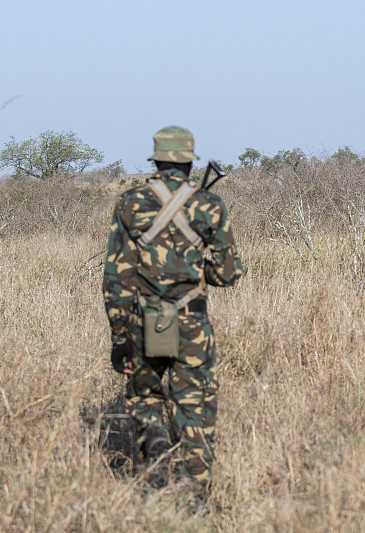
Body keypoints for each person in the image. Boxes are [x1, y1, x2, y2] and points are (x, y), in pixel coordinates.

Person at [103, 126, 243, 496]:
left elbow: (117, 279)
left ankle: (157, 458)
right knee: (195, 409)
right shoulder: (210, 205)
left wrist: (120, 337)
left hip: (148, 319)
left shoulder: (131, 203)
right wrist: (200, 268)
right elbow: (228, 275)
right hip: (192, 322)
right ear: (188, 162)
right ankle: (196, 496)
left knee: (147, 398)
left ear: (157, 160)